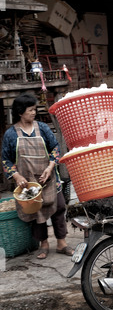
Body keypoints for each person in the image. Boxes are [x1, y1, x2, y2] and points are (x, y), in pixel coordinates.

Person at [1, 93, 74, 260]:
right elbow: (6, 159)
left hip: (48, 179)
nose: (34, 113)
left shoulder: (43, 128)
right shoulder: (11, 134)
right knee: (36, 213)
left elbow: (55, 148)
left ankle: (62, 243)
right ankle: (44, 244)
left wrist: (50, 167)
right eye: (30, 110)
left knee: (59, 208)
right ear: (20, 112)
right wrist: (17, 176)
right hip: (29, 184)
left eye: (35, 109)